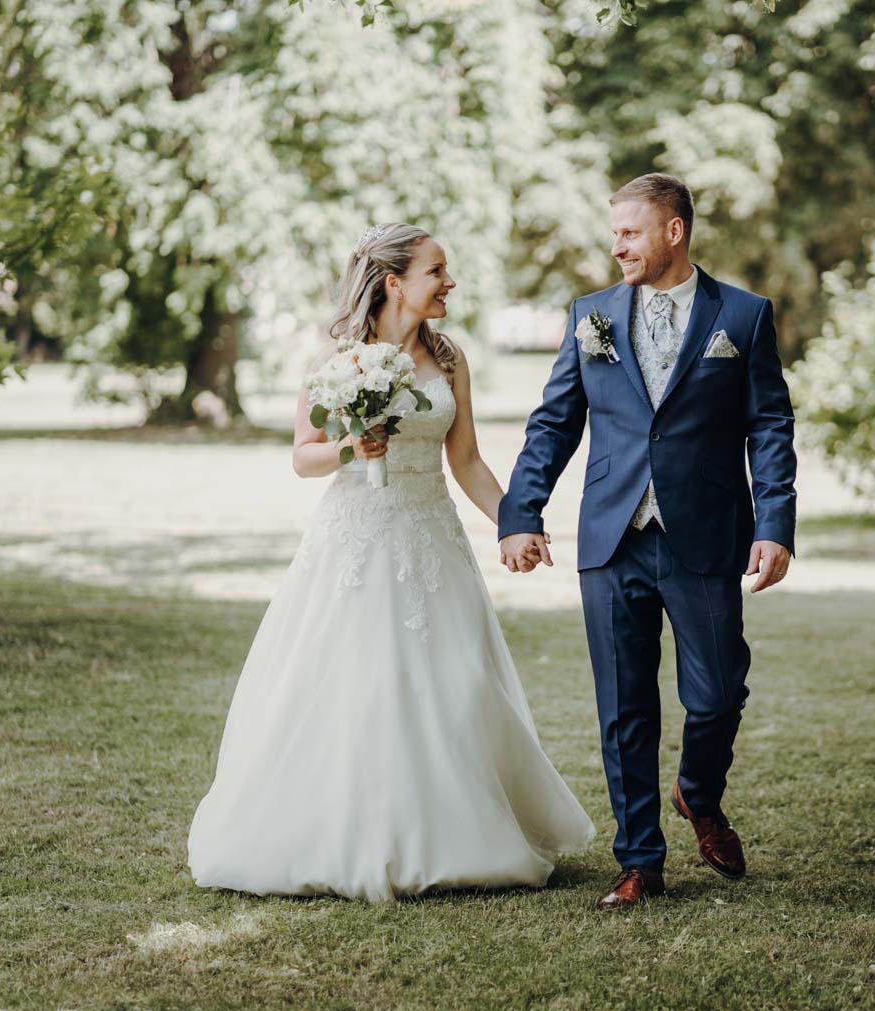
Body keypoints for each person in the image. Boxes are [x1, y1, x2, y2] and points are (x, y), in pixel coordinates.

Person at [188, 223, 594, 902]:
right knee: (356, 686)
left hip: (432, 538)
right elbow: (302, 454)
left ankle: (458, 830)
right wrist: (354, 448)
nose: (449, 283)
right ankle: (350, 831)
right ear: (394, 280)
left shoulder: (450, 357)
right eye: (437, 270)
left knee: (456, 685)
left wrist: (517, 522)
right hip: (356, 540)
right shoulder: (340, 355)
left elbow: (465, 461)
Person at [498, 174, 797, 911]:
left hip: (705, 529)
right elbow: (554, 422)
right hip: (612, 532)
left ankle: (696, 792)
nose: (617, 246)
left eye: (630, 233)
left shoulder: (744, 316)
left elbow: (770, 426)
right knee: (624, 705)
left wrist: (775, 523)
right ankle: (639, 860)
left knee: (719, 690)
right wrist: (520, 510)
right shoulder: (590, 315)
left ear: (674, 232)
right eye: (615, 233)